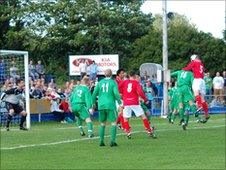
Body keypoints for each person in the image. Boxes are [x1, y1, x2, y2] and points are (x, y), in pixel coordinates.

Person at [119, 70, 156, 139]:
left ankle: (128, 132)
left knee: (126, 118)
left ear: (129, 76)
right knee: (143, 116)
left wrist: (123, 93)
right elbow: (140, 92)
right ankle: (149, 131)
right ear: (134, 76)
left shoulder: (124, 82)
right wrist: (145, 99)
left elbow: (119, 88)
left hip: (126, 102)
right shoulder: (136, 83)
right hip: (134, 102)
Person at [92, 69, 122, 147]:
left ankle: (101, 141)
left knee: (102, 123)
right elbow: (116, 93)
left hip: (101, 105)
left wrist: (92, 103)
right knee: (113, 123)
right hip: (110, 105)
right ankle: (112, 141)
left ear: (104, 75)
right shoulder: (113, 82)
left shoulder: (100, 83)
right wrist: (120, 103)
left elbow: (94, 93)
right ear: (111, 74)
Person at [182, 54, 210, 123]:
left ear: (192, 59)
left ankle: (199, 105)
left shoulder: (194, 62)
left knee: (196, 92)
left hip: (197, 79)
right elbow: (203, 70)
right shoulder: (201, 64)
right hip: (203, 81)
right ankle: (206, 114)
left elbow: (188, 68)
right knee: (202, 98)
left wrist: (182, 70)